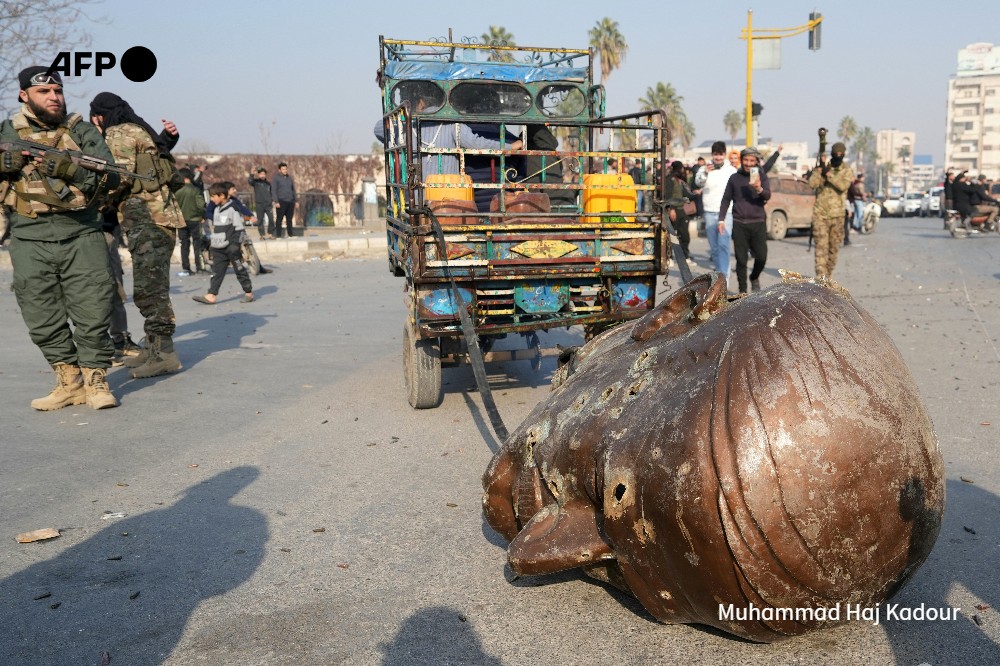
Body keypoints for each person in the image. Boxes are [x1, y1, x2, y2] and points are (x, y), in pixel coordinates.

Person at [0, 67, 121, 409]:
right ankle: (69, 380)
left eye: (58, 90)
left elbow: (112, 179)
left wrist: (66, 168)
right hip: (28, 235)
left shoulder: (80, 130)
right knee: (39, 312)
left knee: (93, 308)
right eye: (44, 92)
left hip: (81, 231)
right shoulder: (7, 131)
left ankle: (96, 379)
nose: (54, 97)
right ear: (24, 96)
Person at [89, 91, 185, 380]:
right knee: (150, 285)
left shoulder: (118, 133)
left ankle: (165, 355)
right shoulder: (139, 130)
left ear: (98, 116)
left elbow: (119, 178)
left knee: (150, 290)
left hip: (148, 219)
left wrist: (92, 201)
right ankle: (153, 349)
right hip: (156, 218)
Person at [719, 147, 771, 294]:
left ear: (756, 162)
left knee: (761, 257)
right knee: (741, 260)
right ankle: (742, 292)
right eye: (746, 160)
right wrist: (721, 220)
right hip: (740, 223)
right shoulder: (734, 178)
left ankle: (754, 277)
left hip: (758, 222)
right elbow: (726, 199)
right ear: (742, 161)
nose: (748, 163)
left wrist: (759, 188)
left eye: (751, 160)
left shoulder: (761, 175)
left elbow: (768, 196)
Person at [193, 182, 254, 305]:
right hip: (218, 247)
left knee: (239, 269)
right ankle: (211, 295)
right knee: (217, 272)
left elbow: (240, 229)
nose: (211, 199)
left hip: (231, 247)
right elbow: (216, 229)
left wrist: (235, 245)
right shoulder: (216, 210)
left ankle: (248, 292)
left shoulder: (232, 209)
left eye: (213, 196)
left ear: (221, 195)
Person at [807, 141, 854, 279]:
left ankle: (828, 274)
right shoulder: (823, 168)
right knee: (821, 249)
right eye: (835, 154)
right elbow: (812, 183)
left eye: (841, 154)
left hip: (838, 215)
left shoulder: (846, 170)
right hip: (820, 214)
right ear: (831, 154)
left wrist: (829, 175)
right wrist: (820, 171)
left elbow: (843, 185)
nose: (838, 156)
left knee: (833, 250)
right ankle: (821, 278)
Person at [694, 141, 738, 286]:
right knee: (714, 247)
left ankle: (725, 278)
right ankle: (719, 274)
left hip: (726, 213)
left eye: (720, 155)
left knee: (724, 244)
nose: (718, 158)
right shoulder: (703, 169)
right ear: (712, 155)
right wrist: (706, 172)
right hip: (709, 212)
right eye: (715, 155)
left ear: (724, 155)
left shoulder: (731, 170)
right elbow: (698, 183)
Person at [101, 208, 141, 365]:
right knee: (101, 290)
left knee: (115, 289)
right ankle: (100, 348)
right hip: (95, 229)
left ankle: (119, 341)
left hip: (107, 227)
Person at [175, 167, 207, 275]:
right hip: (195, 220)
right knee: (197, 244)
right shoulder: (196, 190)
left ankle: (186, 268)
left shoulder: (177, 191)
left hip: (181, 221)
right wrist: (202, 216)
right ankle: (199, 267)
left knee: (184, 244)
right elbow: (201, 205)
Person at [665, 160, 694, 266]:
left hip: (682, 210)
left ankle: (685, 256)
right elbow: (668, 195)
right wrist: (671, 208)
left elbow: (687, 193)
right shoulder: (669, 179)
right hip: (674, 210)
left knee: (685, 235)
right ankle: (669, 257)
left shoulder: (681, 180)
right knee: (671, 235)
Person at [248, 167, 275, 239]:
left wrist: (273, 200)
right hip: (259, 204)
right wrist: (252, 174)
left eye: (264, 174)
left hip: (268, 204)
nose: (262, 175)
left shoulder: (268, 184)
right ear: (259, 175)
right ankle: (262, 235)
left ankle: (270, 234)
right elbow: (250, 181)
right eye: (261, 174)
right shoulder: (256, 182)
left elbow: (271, 193)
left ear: (266, 175)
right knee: (260, 220)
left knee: (271, 219)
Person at [273, 161, 297, 238]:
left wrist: (295, 200)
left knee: (289, 219)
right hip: (281, 201)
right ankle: (278, 235)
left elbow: (293, 189)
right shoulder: (276, 178)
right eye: (283, 169)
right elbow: (273, 190)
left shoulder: (289, 178)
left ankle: (290, 234)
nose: (285, 171)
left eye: (286, 169)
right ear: (279, 170)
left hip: (290, 201)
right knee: (279, 219)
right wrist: (276, 201)